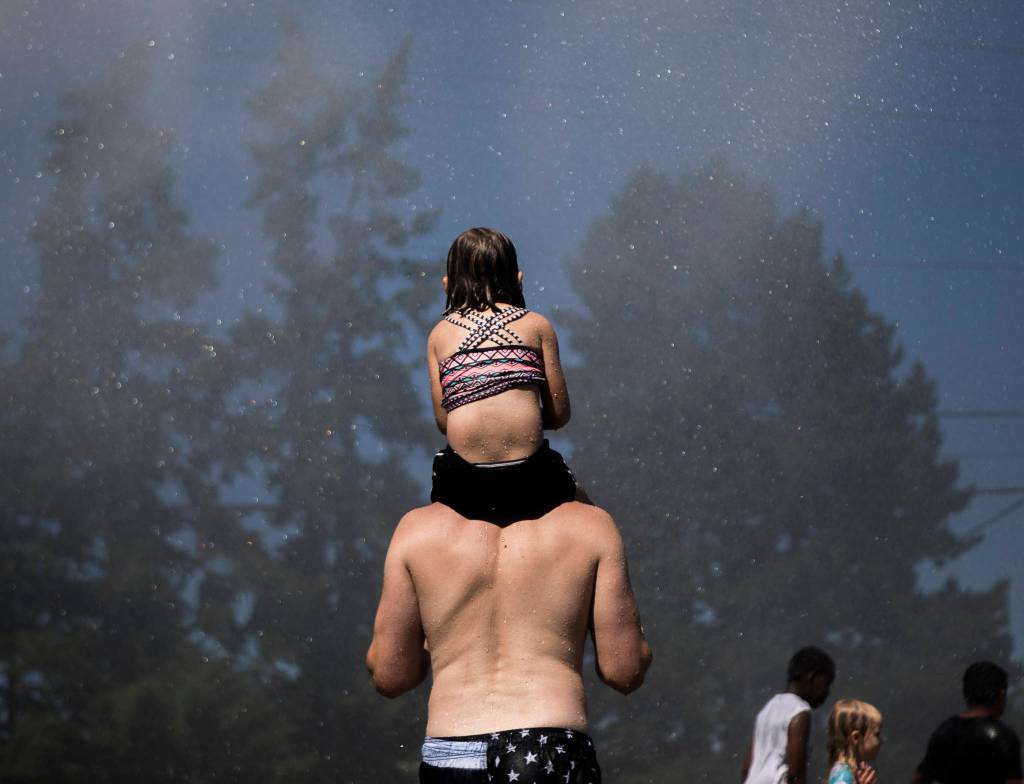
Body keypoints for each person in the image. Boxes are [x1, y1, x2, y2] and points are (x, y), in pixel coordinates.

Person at [365, 496, 652, 782]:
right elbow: (623, 670)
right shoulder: (590, 525)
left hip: (453, 750)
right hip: (547, 744)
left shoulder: (417, 530)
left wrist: (440, 639)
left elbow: (391, 675)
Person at [426, 227, 581, 524]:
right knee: (592, 518)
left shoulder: (439, 336)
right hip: (530, 475)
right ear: (518, 279)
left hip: (464, 480)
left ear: (447, 285)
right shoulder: (537, 326)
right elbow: (560, 414)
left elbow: (444, 422)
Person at [911, 660, 1022, 784]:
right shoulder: (1004, 736)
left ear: (966, 693)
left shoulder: (945, 731)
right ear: (1001, 694)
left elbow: (919, 779)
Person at [740, 646, 836, 784]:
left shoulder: (767, 710)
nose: (827, 692)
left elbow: (746, 768)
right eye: (826, 684)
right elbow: (795, 773)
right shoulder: (799, 711)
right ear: (812, 677)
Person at [826, 699, 882, 784]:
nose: (881, 741)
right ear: (856, 738)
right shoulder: (843, 775)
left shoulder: (852, 771)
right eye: (877, 735)